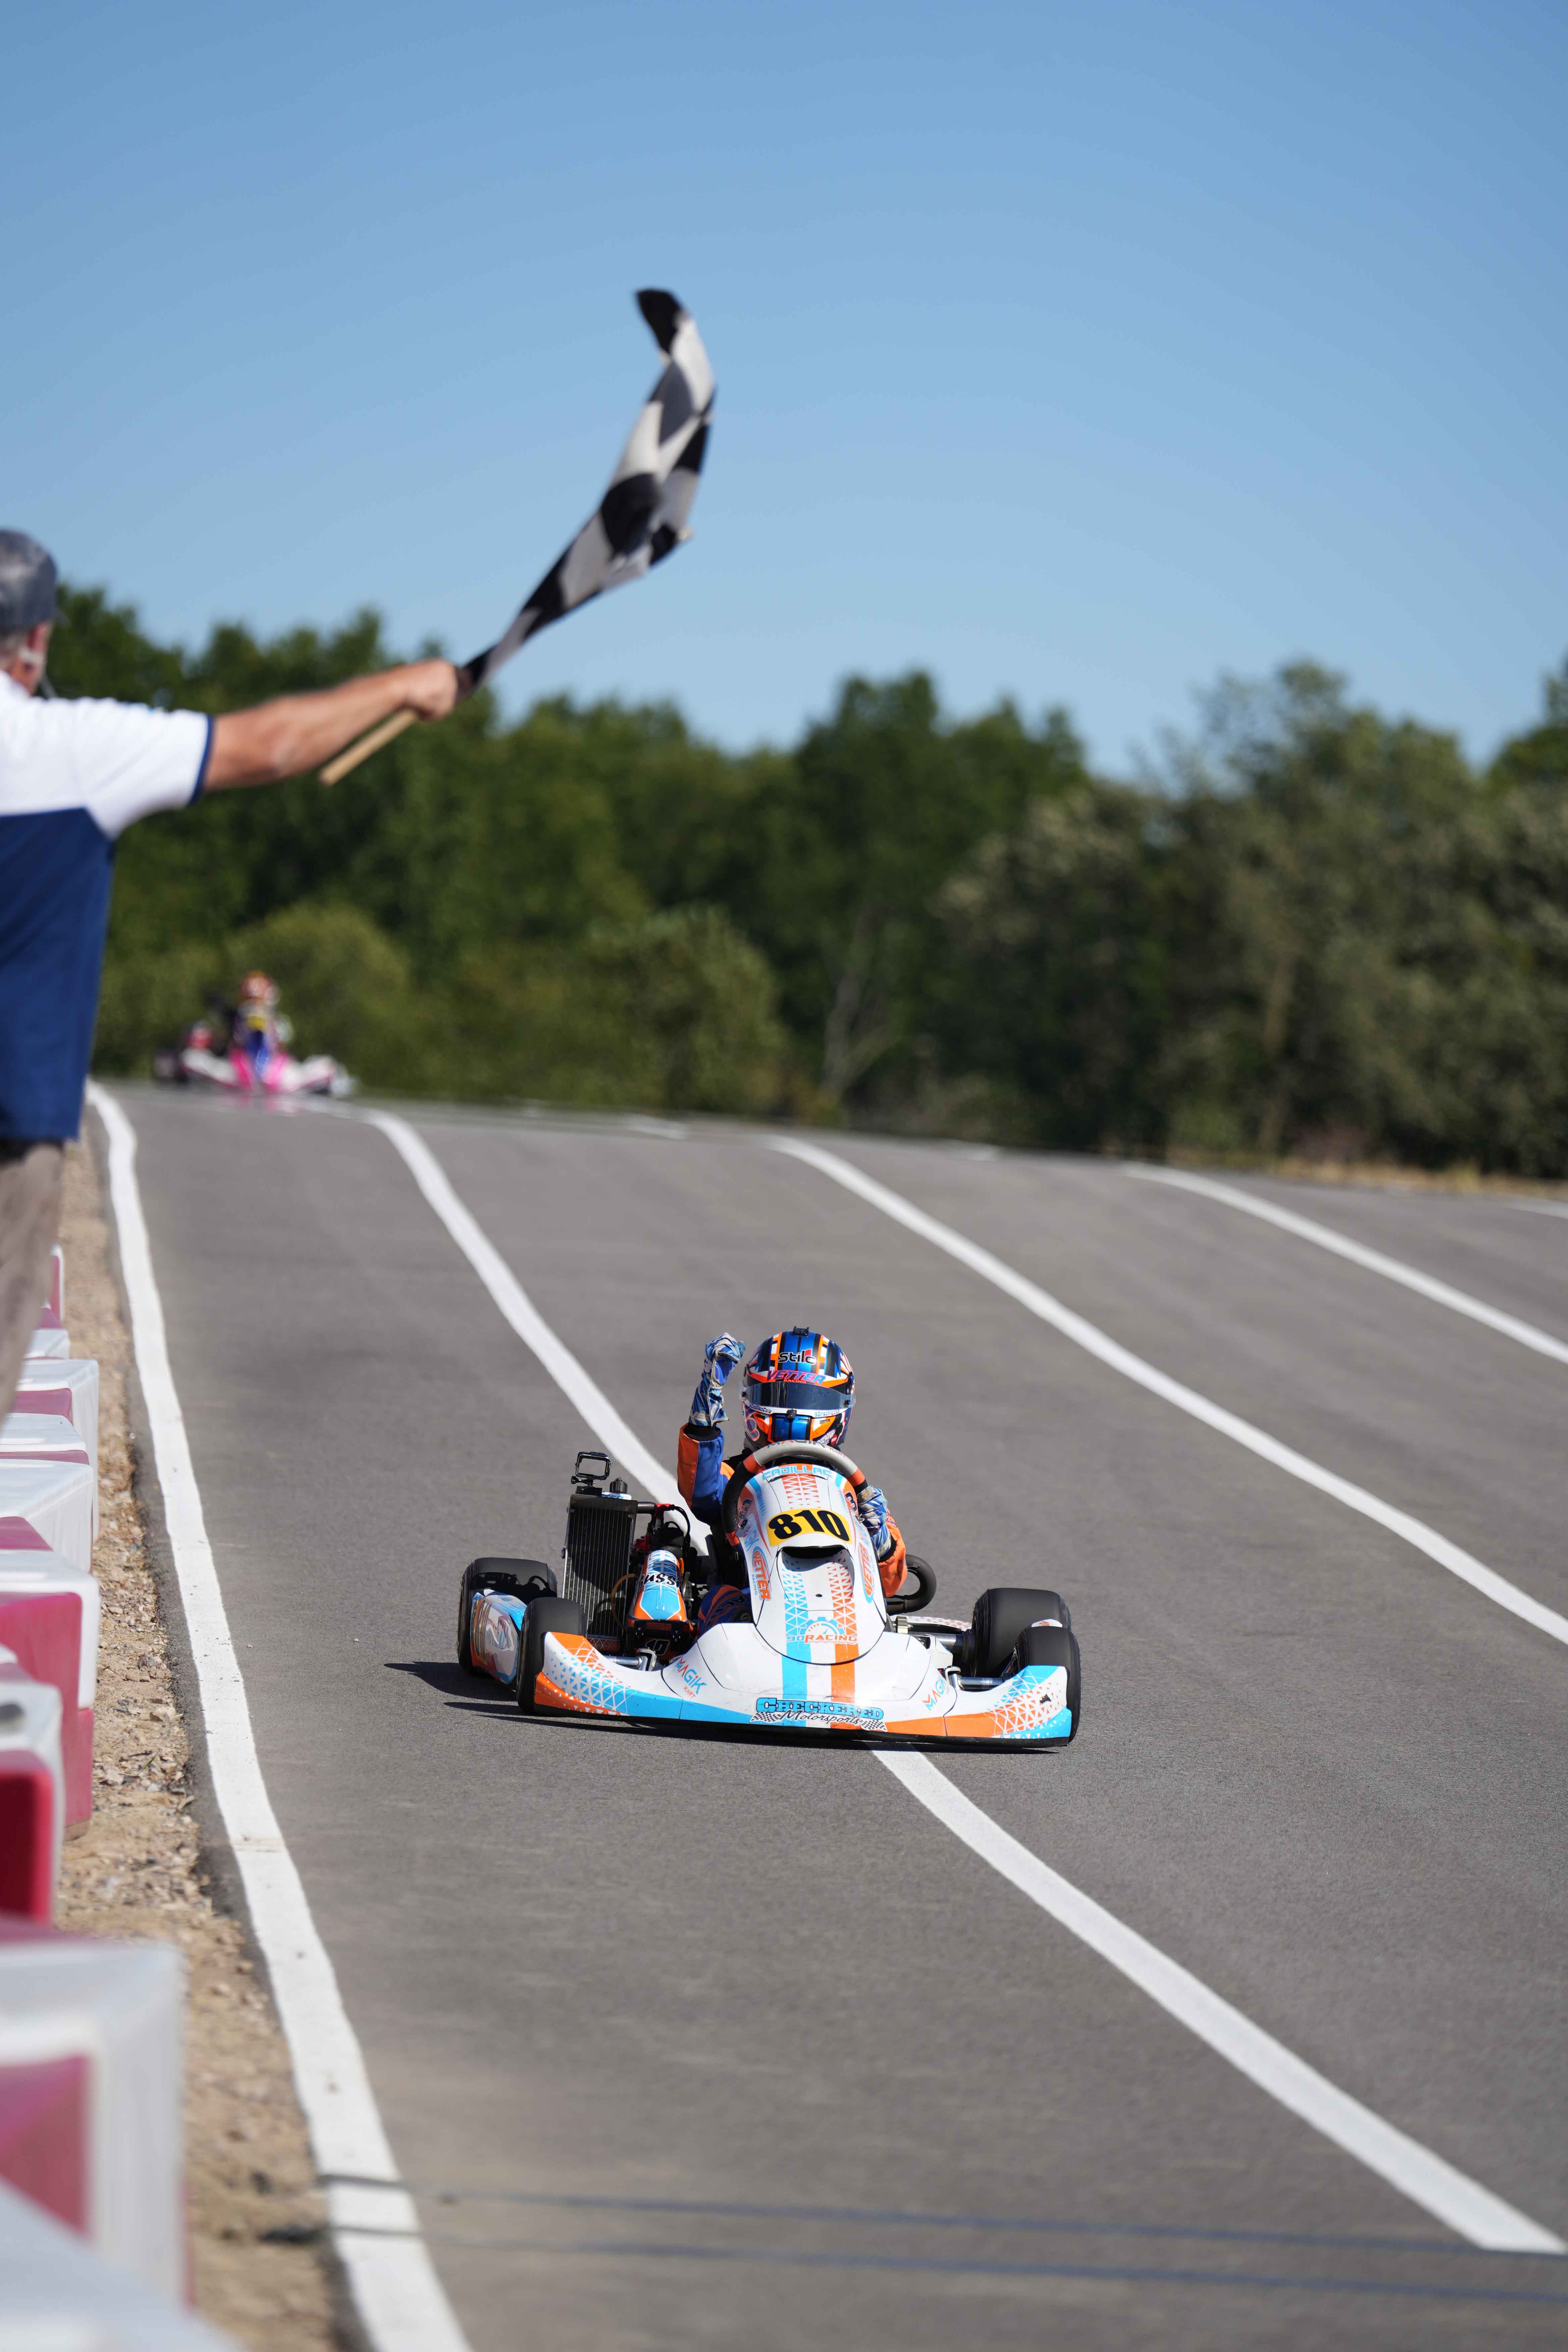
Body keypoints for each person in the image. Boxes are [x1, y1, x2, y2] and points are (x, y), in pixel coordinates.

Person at [0, 528, 459, 1416]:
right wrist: (407, 684)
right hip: (15, 1119)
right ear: (39, 638)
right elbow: (272, 745)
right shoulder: (70, 745)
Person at [677, 1326, 905, 1629]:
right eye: (776, 1396)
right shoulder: (738, 1479)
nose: (793, 1411)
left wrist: (881, 1541)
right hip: (751, 1615)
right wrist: (704, 1414)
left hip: (846, 1617)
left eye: (814, 1399)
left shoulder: (853, 1492)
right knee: (721, 1603)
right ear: (750, 1398)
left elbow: (890, 1583)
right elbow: (703, 1492)